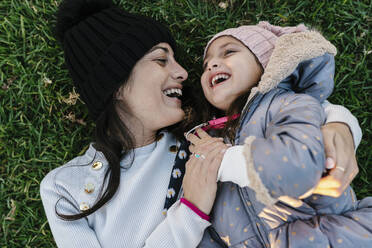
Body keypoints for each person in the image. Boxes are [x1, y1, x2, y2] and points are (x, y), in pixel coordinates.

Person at [40, 1, 362, 247]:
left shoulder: (202, 141)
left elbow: (274, 116)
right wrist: (191, 211)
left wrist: (339, 124)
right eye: (161, 59)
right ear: (115, 81)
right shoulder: (63, 187)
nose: (183, 73)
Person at [186, 22, 372, 247]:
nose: (212, 64)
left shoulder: (289, 104)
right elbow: (213, 229)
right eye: (206, 66)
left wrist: (221, 161)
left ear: (267, 64)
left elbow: (299, 165)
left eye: (229, 52)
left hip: (324, 237)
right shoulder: (215, 137)